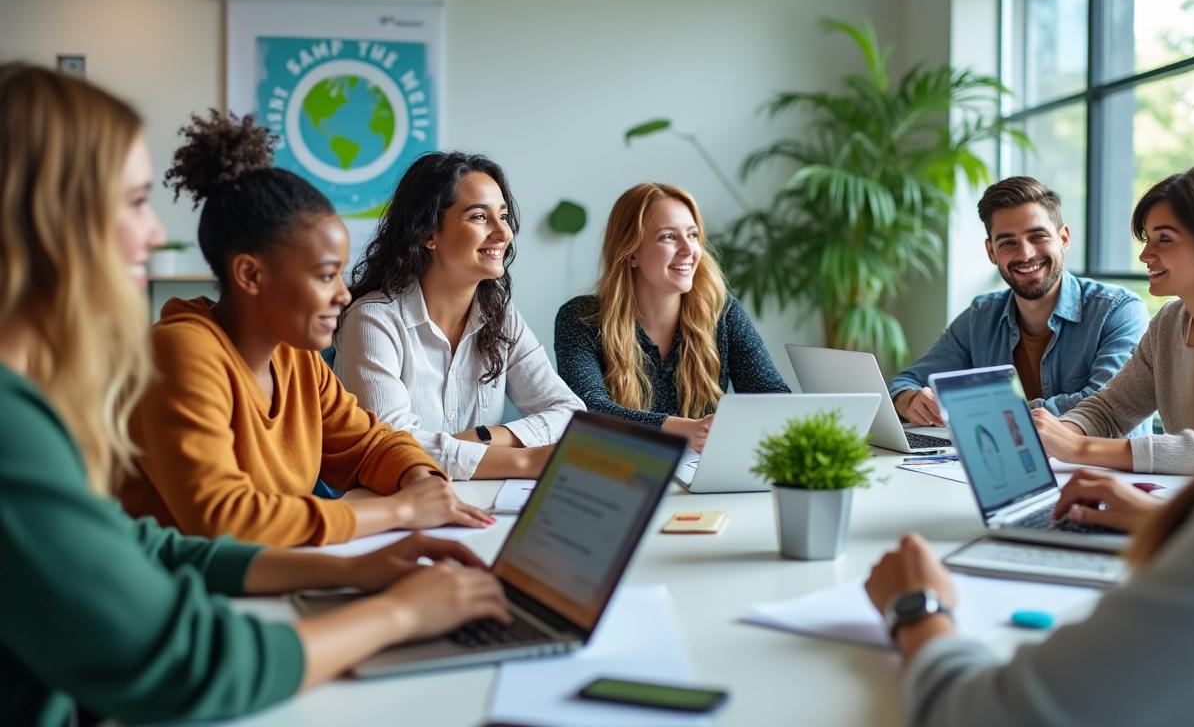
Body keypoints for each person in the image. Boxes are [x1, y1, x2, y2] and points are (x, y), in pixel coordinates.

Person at [0, 63, 510, 727]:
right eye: (132, 203)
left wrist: (363, 563)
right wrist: (400, 609)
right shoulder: (32, 413)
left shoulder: (296, 358)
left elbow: (142, 547)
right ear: (43, 218)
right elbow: (190, 659)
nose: (155, 233)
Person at [865, 55, 1194, 726]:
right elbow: (1112, 406)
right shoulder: (1189, 338)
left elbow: (990, 715)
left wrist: (917, 607)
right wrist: (1158, 516)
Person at [116, 111, 492, 547]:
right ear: (251, 276)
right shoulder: (180, 352)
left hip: (268, 578)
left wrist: (422, 478)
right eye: (324, 275)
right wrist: (402, 509)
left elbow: (370, 444)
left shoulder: (293, 356)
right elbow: (224, 519)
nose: (343, 294)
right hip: (182, 594)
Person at [336, 152, 581, 480]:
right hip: (391, 506)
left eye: (504, 216)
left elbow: (570, 413)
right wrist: (526, 461)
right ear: (428, 234)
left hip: (473, 499)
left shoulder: (500, 315)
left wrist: (484, 437)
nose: (503, 233)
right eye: (480, 217)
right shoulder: (373, 320)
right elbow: (391, 447)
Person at [887, 177, 1148, 429]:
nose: (1025, 254)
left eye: (1037, 236)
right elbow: (906, 381)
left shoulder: (1119, 311)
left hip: (1101, 469)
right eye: (1008, 242)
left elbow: (1104, 407)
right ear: (991, 252)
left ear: (1064, 238)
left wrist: (986, 413)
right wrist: (910, 401)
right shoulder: (981, 316)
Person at [554, 182, 789, 452]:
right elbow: (588, 409)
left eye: (692, 235)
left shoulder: (724, 315)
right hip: (619, 471)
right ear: (631, 253)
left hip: (699, 479)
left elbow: (773, 399)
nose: (689, 250)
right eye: (669, 237)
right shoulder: (581, 319)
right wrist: (683, 430)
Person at [1033, 166, 1194, 479]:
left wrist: (1080, 448)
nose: (1145, 255)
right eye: (1147, 238)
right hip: (1188, 502)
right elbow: (1111, 408)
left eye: (1164, 239)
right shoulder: (1167, 324)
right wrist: (1054, 436)